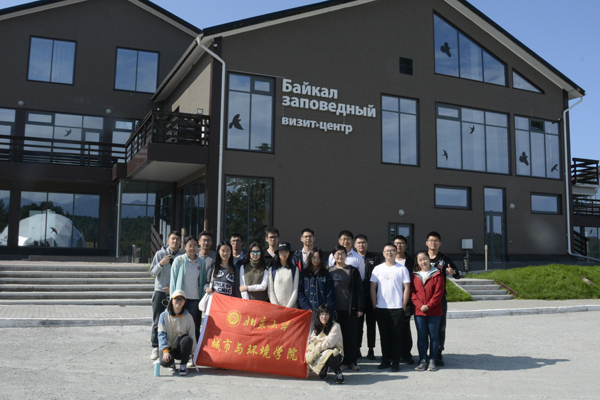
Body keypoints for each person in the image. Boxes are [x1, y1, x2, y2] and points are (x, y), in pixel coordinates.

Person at [370, 243, 411, 372]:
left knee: (396, 336)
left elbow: (407, 287)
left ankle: (395, 362)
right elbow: (372, 287)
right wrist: (374, 305)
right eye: (387, 251)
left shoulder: (402, 269)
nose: (389, 253)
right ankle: (385, 360)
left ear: (396, 252)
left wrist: (403, 304)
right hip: (381, 307)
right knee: (384, 336)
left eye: (392, 250)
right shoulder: (377, 269)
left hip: (397, 308)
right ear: (383, 253)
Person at [426, 231, 461, 366]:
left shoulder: (445, 259)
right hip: (424, 299)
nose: (433, 243)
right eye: (431, 240)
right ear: (426, 243)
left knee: (440, 328)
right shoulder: (421, 257)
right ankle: (424, 354)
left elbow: (459, 274)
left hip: (439, 300)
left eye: (436, 241)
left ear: (440, 243)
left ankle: (438, 353)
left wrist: (453, 272)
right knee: (424, 328)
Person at [170, 236, 207, 354]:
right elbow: (173, 281)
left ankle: (193, 354)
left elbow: (203, 281)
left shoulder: (201, 262)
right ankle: (178, 352)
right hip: (181, 300)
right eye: (190, 245)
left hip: (195, 300)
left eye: (195, 245)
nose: (192, 248)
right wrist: (172, 299)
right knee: (179, 327)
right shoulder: (179, 260)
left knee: (194, 327)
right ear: (185, 246)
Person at [329, 245, 364, 371]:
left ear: (346, 255)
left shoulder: (353, 271)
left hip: (350, 309)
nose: (340, 256)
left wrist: (360, 308)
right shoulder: (329, 271)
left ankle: (352, 361)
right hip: (335, 309)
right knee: (338, 336)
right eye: (337, 254)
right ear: (333, 256)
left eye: (342, 253)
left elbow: (359, 291)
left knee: (351, 336)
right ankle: (341, 361)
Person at [149, 230, 182, 360]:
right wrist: (161, 263)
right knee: (157, 320)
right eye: (173, 239)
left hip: (175, 294)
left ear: (180, 242)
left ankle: (171, 347)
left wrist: (173, 288)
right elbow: (152, 272)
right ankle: (155, 346)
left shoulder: (182, 256)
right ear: (168, 241)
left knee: (174, 321)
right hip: (160, 292)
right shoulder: (160, 254)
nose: (175, 241)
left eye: (177, 239)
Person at [411, 251, 444, 372]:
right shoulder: (414, 275)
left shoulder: (437, 274)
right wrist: (420, 305)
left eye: (425, 259)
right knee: (421, 336)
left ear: (429, 259)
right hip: (419, 311)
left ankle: (432, 360)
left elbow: (439, 293)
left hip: (434, 311)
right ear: (417, 262)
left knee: (434, 336)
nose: (423, 262)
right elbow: (412, 293)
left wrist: (428, 306)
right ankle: (422, 360)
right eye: (420, 260)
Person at [353, 234, 380, 361]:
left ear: (367, 244)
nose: (361, 245)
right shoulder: (352, 258)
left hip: (371, 296)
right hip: (358, 297)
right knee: (358, 325)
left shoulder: (374, 257)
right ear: (355, 245)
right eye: (358, 243)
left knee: (371, 324)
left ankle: (371, 349)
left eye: (363, 242)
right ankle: (357, 348)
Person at [158, 289, 196, 376]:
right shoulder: (163, 316)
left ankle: (183, 365)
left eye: (181, 299)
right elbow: (161, 334)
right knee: (164, 363)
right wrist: (165, 351)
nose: (179, 301)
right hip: (169, 348)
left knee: (187, 339)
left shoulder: (188, 317)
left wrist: (194, 354)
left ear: (184, 302)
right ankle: (171, 363)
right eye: (176, 299)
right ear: (172, 301)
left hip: (181, 349)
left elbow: (192, 336)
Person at [305, 304, 345, 384]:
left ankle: (338, 373)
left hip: (334, 352)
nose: (324, 317)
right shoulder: (317, 327)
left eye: (327, 314)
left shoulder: (335, 326)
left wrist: (317, 346)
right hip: (320, 351)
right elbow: (312, 342)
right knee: (309, 351)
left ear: (330, 315)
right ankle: (324, 368)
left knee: (330, 354)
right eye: (322, 314)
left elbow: (329, 343)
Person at [394, 234, 415, 365]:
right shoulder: (388, 260)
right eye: (396, 243)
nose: (399, 246)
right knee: (393, 327)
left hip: (407, 298)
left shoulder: (411, 261)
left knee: (405, 327)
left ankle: (406, 354)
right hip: (392, 299)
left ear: (406, 246)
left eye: (401, 243)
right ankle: (393, 354)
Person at [298, 247, 335, 311]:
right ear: (310, 258)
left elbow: (330, 294)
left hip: (322, 312)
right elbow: (300, 293)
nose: (316, 260)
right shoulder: (304, 274)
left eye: (318, 258)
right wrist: (307, 307)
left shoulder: (326, 274)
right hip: (307, 311)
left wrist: (326, 309)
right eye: (314, 258)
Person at [268, 242, 299, 308]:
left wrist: (288, 307)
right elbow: (270, 290)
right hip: (276, 308)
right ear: (278, 253)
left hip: (291, 308)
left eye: (286, 252)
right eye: (281, 252)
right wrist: (276, 306)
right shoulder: (272, 269)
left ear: (289, 253)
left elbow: (295, 290)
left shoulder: (295, 269)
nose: (284, 254)